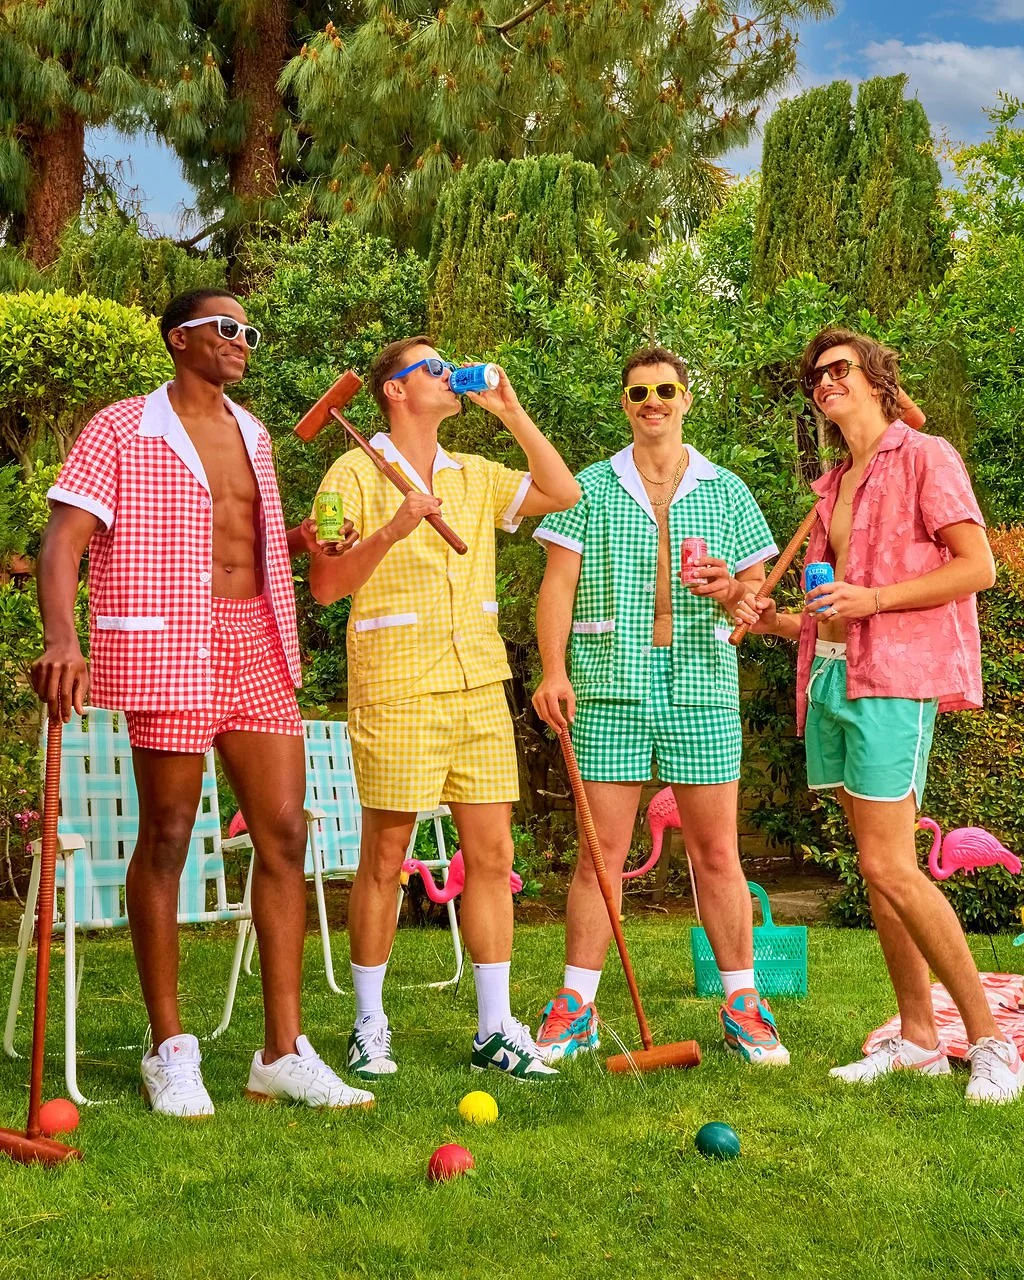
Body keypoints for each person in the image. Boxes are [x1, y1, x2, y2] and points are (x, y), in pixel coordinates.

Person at [31, 288, 373, 1117]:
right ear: (181, 339)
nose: (243, 342)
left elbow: (245, 541)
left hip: (253, 636)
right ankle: (170, 1049)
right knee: (172, 831)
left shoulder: (254, 432)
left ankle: (282, 1053)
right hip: (166, 639)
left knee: (285, 829)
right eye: (228, 329)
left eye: (249, 332)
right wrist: (63, 639)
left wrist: (301, 543)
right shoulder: (120, 427)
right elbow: (64, 539)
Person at [747, 326, 1023, 1104]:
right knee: (880, 871)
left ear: (874, 379)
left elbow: (979, 566)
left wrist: (871, 601)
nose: (824, 382)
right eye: (815, 376)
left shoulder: (926, 458)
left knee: (890, 865)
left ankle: (991, 1042)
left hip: (895, 680)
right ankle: (918, 1039)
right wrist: (755, 610)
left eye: (838, 370)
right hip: (834, 677)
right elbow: (823, 620)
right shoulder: (833, 485)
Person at [310, 338, 580, 1082]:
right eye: (431, 368)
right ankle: (369, 1024)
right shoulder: (353, 471)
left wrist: (513, 413)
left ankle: (495, 1029)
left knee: (492, 858)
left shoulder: (473, 475)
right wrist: (397, 525)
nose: (447, 374)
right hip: (396, 686)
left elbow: (562, 494)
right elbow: (326, 585)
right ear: (394, 391)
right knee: (385, 860)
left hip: (477, 685)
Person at [531, 346, 790, 1066]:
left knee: (717, 854)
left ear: (686, 399)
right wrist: (553, 670)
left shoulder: (726, 490)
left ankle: (744, 1004)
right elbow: (556, 587)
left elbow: (757, 598)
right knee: (600, 855)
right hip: (609, 684)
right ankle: (575, 1007)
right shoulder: (588, 487)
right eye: (639, 391)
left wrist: (730, 592)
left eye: (666, 389)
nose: (653, 401)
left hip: (701, 682)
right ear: (625, 403)